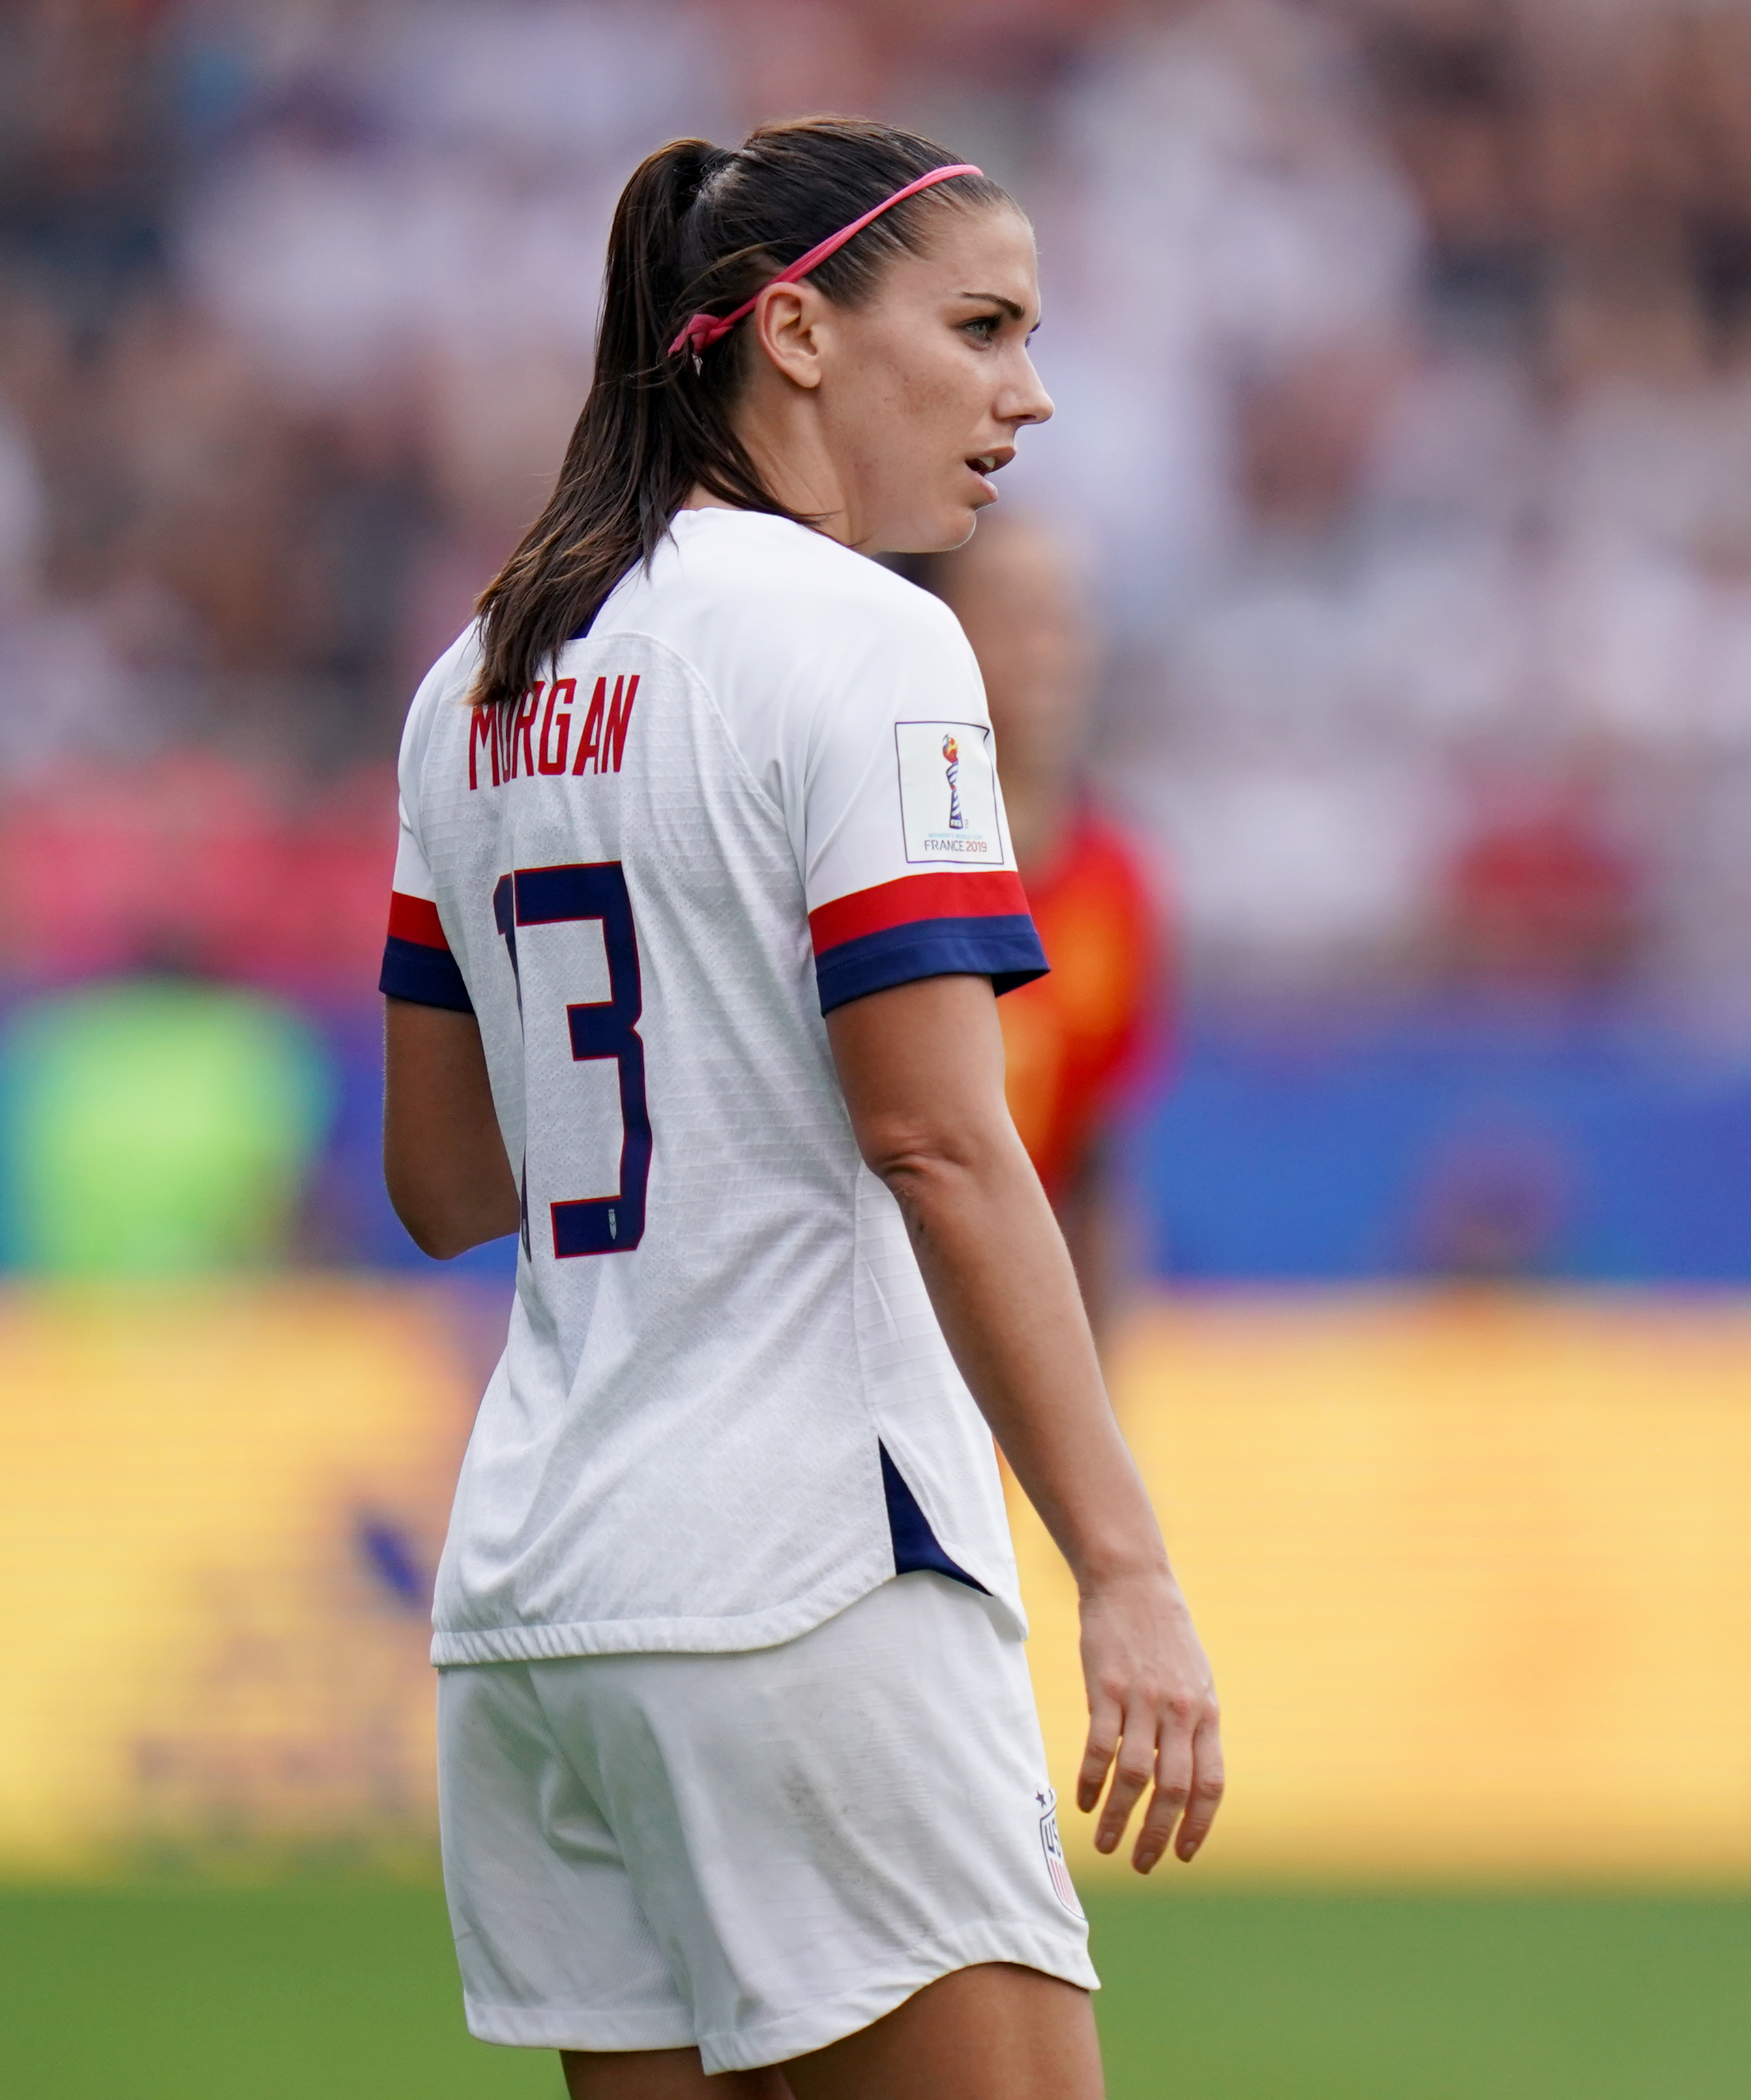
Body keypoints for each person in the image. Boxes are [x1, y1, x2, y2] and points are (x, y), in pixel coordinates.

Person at [375, 119, 1221, 2099]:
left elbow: (438, 1178)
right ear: (799, 334)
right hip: (811, 1580)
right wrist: (1127, 1565)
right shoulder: (873, 638)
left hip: (542, 1601)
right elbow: (940, 1136)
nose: (1029, 392)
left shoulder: (475, 679)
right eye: (985, 323)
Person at [909, 514, 1164, 1339]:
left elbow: (1095, 1164)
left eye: (1065, 617)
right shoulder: (885, 861)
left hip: (1004, 1344)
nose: (1049, 651)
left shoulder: (1115, 879)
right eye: (1014, 616)